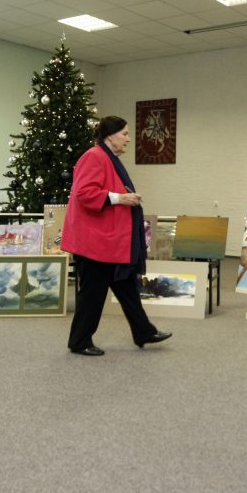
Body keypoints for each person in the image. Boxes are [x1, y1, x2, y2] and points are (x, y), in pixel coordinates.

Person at [61, 115, 172, 356]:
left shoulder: (106, 158)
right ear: (110, 136)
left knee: (127, 289)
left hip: (109, 243)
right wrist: (120, 198)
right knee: (92, 295)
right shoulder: (94, 157)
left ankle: (144, 331)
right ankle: (79, 341)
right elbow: (85, 194)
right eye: (125, 134)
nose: (128, 139)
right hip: (96, 244)